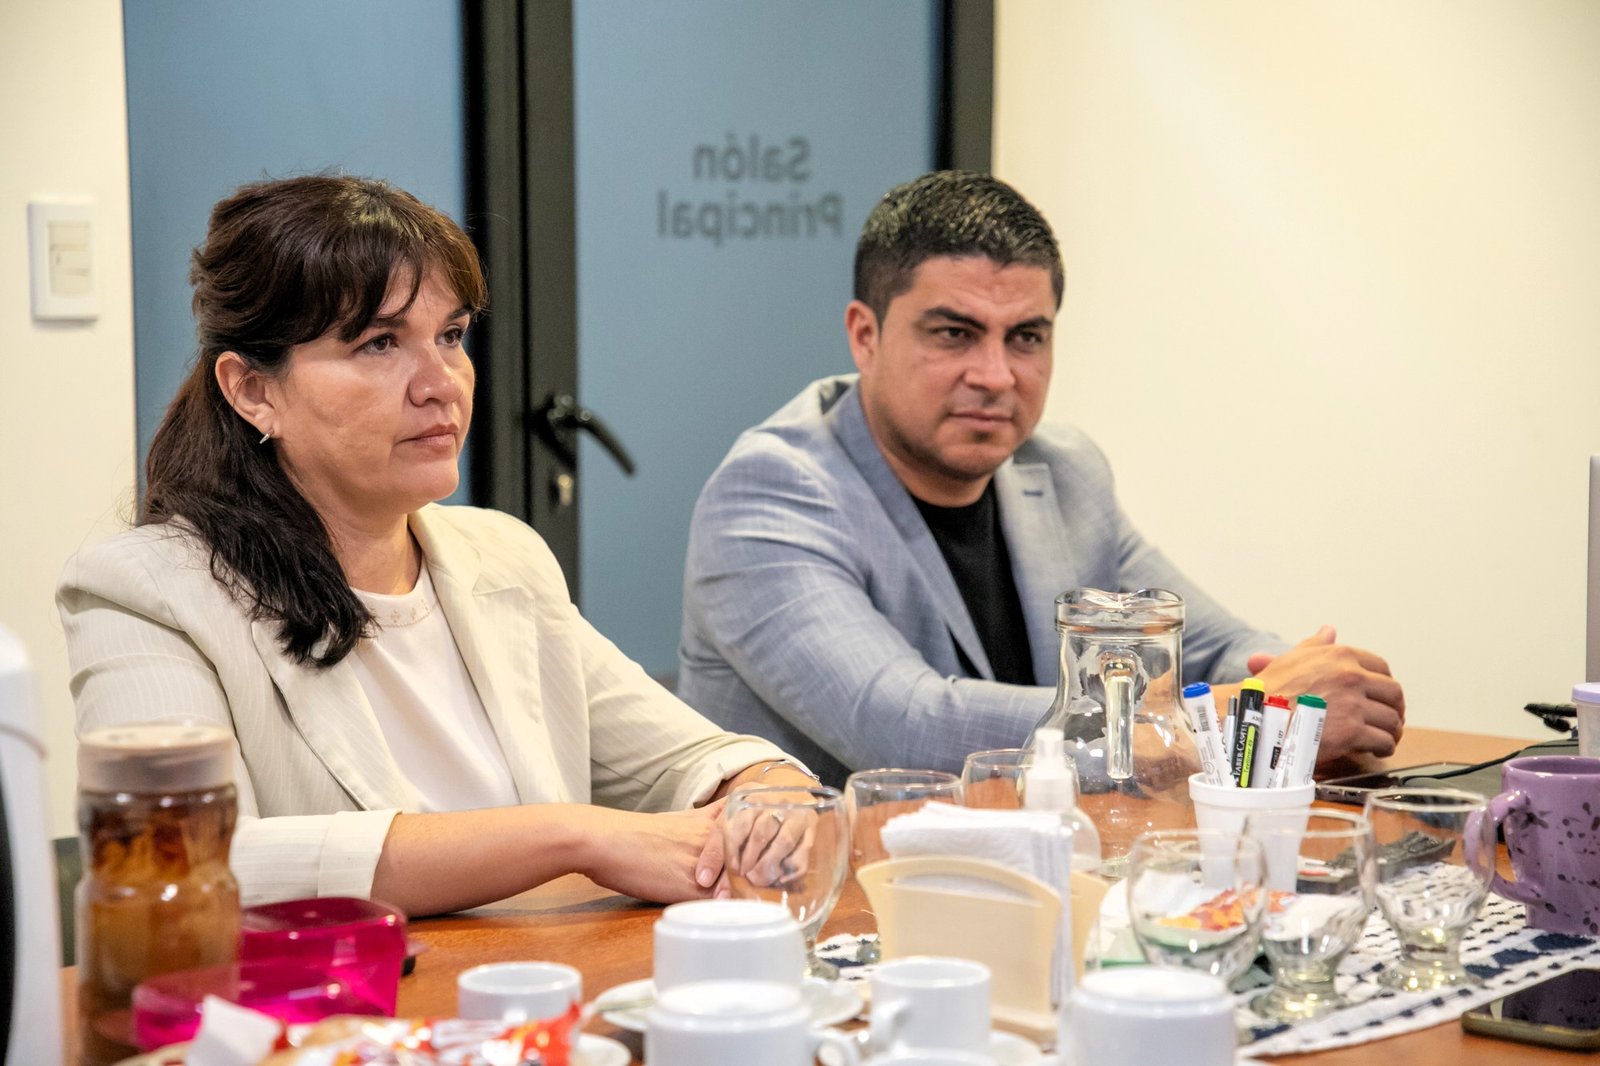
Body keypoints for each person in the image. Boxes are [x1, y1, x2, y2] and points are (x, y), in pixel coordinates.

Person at [57, 174, 815, 916]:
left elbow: (697, 760)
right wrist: (572, 836)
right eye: (379, 343)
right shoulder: (145, 591)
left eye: (451, 336)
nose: (441, 383)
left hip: (537, 987)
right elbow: (187, 859)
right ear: (254, 391)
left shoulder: (502, 556)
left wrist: (766, 787)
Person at [678, 170, 1405, 786]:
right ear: (865, 336)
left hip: (1030, 870)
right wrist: (1250, 715)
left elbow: (1211, 645)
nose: (996, 376)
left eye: (1026, 337)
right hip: (815, 892)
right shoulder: (770, 494)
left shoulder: (1061, 469)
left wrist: (1310, 682)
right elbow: (908, 728)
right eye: (954, 334)